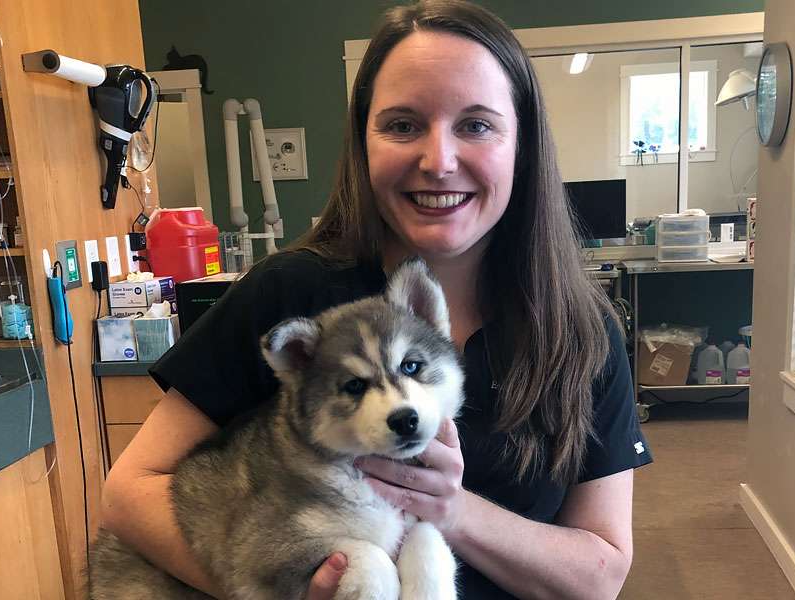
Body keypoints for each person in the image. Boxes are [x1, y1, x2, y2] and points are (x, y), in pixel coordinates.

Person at [100, 1, 652, 598]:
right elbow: (130, 493)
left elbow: (600, 573)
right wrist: (272, 586)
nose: (438, 161)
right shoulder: (291, 293)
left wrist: (451, 510)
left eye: (476, 124)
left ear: (523, 143)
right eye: (403, 124)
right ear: (364, 142)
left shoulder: (581, 330)